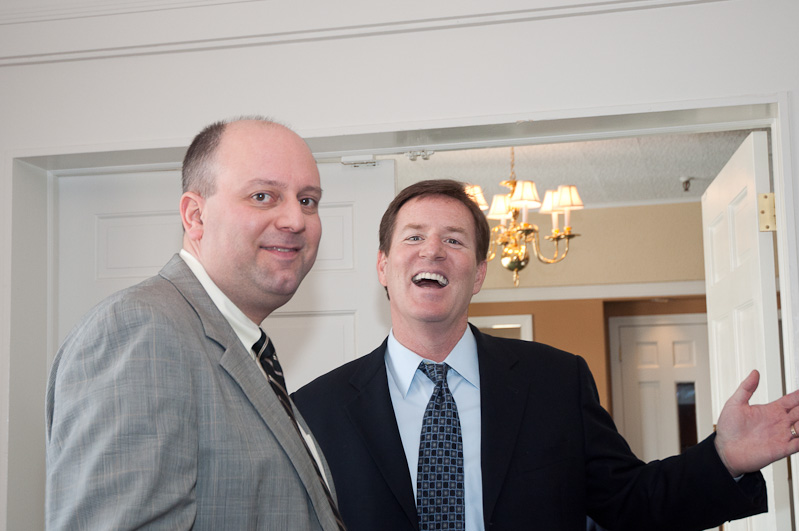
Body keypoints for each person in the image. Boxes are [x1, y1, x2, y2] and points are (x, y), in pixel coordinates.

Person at [293, 178, 799, 531]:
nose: (433, 251)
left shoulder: (556, 381)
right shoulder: (316, 410)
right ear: (383, 266)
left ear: (479, 273)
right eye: (414, 237)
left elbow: (634, 504)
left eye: (454, 240)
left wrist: (725, 458)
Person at [46, 117, 345, 530]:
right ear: (195, 215)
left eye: (308, 200)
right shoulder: (141, 330)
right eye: (263, 196)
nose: (296, 220)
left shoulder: (243, 345)